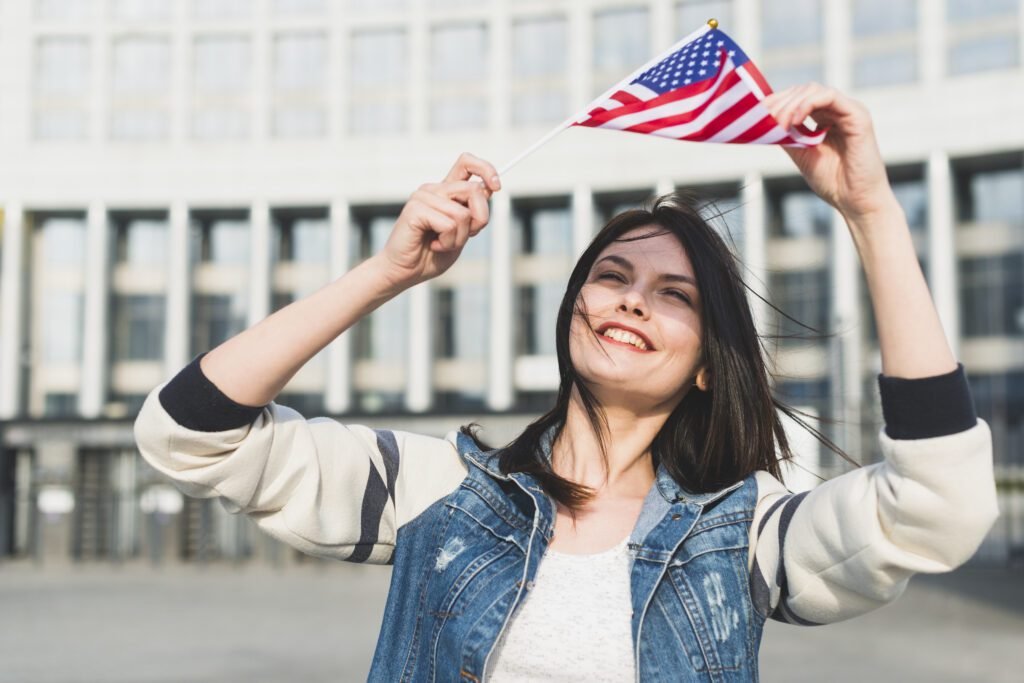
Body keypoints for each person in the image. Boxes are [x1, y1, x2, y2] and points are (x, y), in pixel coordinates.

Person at [134, 84, 997, 682]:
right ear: (573, 306)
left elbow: (939, 510)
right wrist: (385, 275)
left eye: (673, 295)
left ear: (706, 365)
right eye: (612, 275)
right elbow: (186, 432)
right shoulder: (439, 490)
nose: (630, 300)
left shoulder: (746, 536)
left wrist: (872, 212)